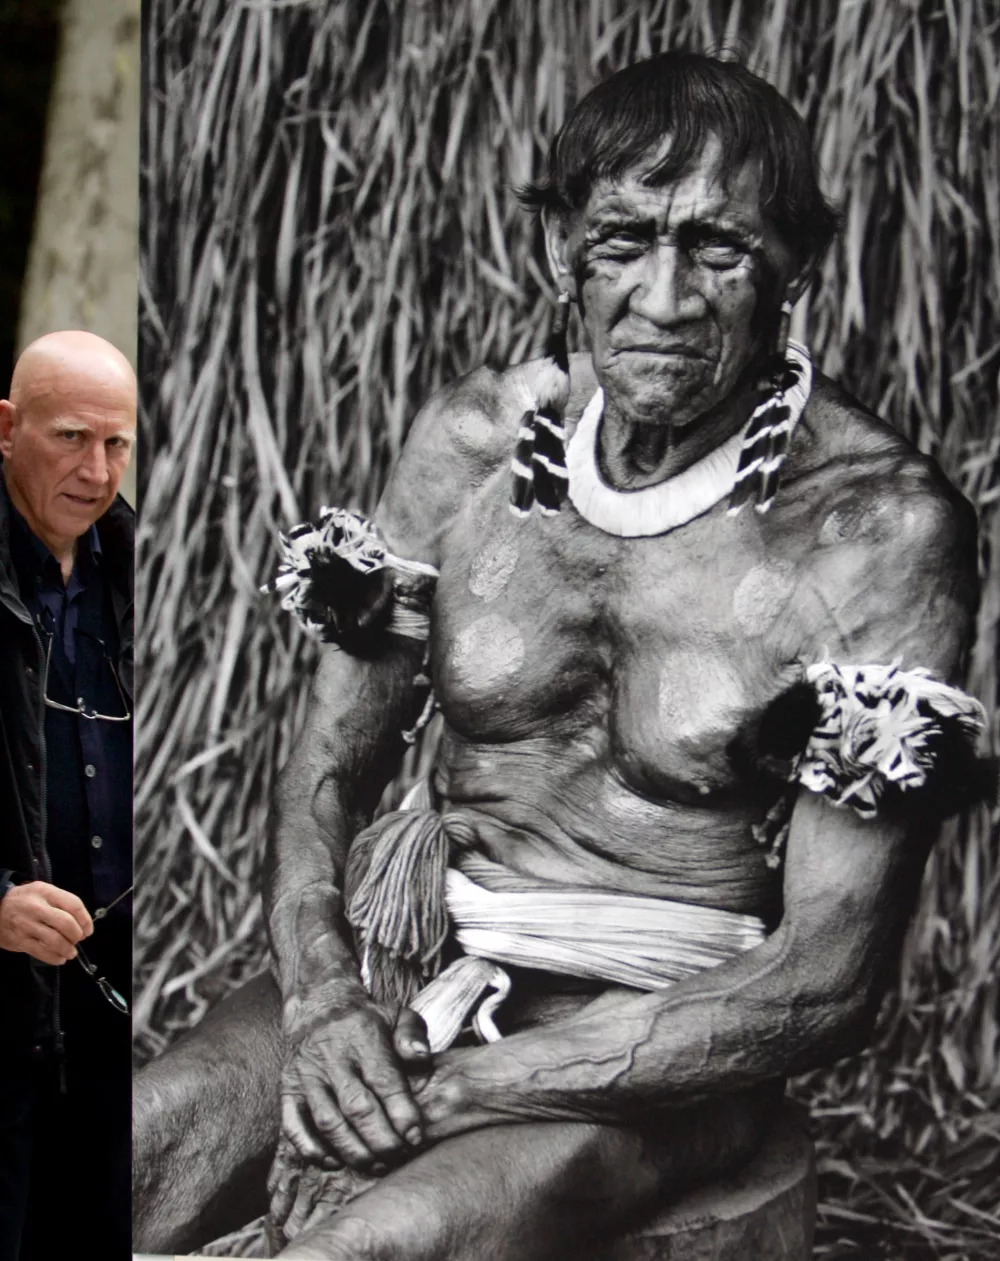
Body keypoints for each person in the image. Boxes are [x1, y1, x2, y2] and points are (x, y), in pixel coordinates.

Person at [133, 52, 984, 1261]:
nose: (666, 297)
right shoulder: (471, 446)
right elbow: (326, 765)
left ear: (794, 265)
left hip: (660, 1039)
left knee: (366, 1247)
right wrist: (326, 1002)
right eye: (623, 240)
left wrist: (443, 1098)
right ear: (561, 254)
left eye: (720, 249)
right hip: (411, 965)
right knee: (135, 1146)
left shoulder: (874, 532)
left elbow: (825, 978)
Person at [0, 330, 135, 1261]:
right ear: (7, 429)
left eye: (116, 445)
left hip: (117, 1006)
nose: (96, 472)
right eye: (71, 438)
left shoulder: (136, 567)